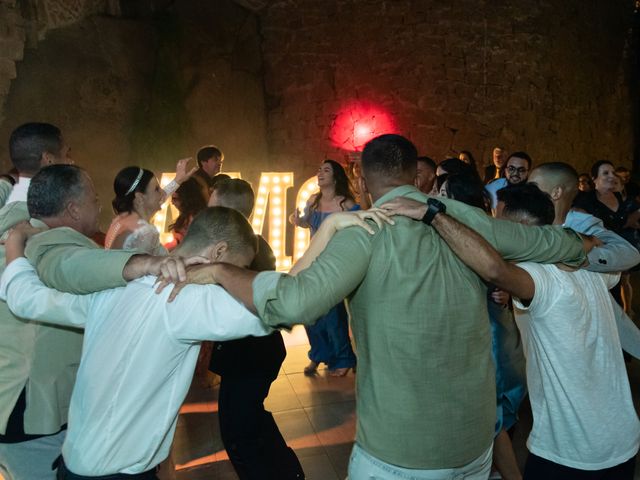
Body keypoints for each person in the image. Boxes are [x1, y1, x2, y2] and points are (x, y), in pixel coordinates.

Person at [187, 134, 587, 479]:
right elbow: (548, 243)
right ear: (415, 176)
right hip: (474, 442)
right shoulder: (468, 218)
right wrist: (588, 244)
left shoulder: (364, 231)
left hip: (401, 451)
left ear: (361, 179)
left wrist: (222, 270)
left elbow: (291, 303)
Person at [426, 183, 640, 479]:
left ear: (522, 229)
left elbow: (494, 270)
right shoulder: (586, 269)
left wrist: (433, 214)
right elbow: (608, 259)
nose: (495, 237)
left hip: (573, 449)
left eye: (500, 227)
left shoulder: (539, 276)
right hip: (621, 436)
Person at [0, 164, 177, 480]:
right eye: (93, 197)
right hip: (31, 409)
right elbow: (73, 268)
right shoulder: (54, 246)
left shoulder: (15, 232)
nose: (99, 204)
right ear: (72, 208)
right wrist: (143, 265)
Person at [208, 178, 304, 479]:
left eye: (211, 206)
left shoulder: (244, 251)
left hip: (250, 355)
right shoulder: (252, 243)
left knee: (239, 434)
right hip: (253, 354)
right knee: (250, 420)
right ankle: (290, 472)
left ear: (226, 212)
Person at [289, 159, 357, 377]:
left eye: (326, 170)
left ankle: (344, 359)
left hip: (335, 263)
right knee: (311, 312)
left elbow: (359, 224)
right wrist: (298, 217)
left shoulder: (344, 204)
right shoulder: (313, 200)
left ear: (335, 177)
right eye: (319, 169)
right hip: (313, 262)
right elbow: (302, 222)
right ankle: (318, 355)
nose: (320, 173)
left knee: (333, 314)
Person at [105, 159, 195, 255]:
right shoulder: (144, 233)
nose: (162, 193)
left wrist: (178, 180)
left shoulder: (120, 220)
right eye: (157, 189)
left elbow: (161, 196)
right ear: (139, 198)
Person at [4, 122, 72, 206]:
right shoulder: (50, 206)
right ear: (49, 159)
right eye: (66, 155)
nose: (71, 161)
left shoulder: (8, 198)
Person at [168, 177, 209, 247]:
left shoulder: (194, 219)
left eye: (175, 199)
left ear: (185, 198)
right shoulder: (191, 216)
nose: (172, 202)